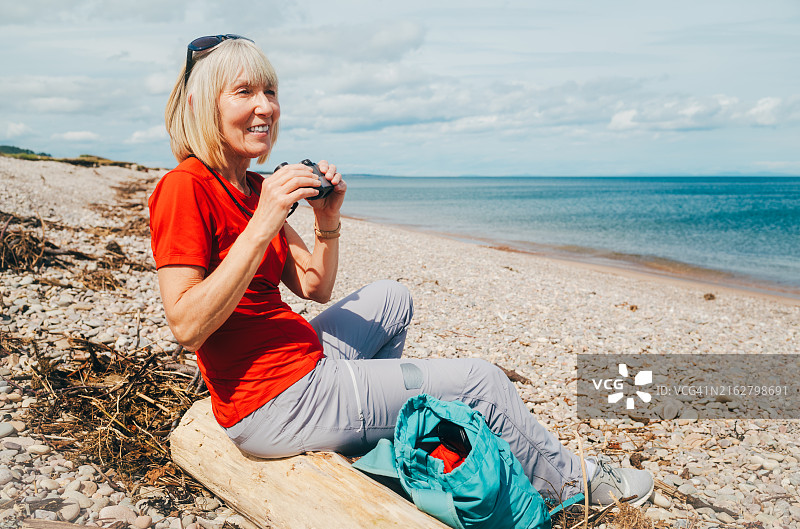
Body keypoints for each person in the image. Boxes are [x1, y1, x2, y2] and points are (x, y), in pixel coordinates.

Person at [148, 34, 654, 508]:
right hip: (273, 401)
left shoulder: (257, 187)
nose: (266, 106)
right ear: (203, 103)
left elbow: (314, 287)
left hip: (298, 364)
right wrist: (263, 223)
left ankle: (368, 432)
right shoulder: (185, 187)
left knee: (392, 298)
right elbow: (186, 326)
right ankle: (575, 485)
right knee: (481, 382)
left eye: (271, 90)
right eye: (244, 92)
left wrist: (328, 219)